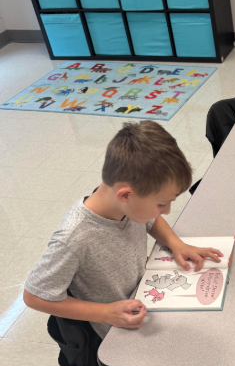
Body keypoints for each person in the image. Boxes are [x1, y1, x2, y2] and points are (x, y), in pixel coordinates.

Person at [23, 120, 223, 337]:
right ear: (126, 195)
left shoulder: (126, 204)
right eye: (161, 204)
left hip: (145, 297)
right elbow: (34, 296)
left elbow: (149, 218)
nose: (166, 211)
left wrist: (177, 244)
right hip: (118, 331)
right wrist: (105, 312)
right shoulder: (75, 239)